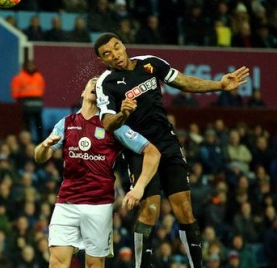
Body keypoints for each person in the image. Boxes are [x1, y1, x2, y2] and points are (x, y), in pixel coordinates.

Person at [94, 32, 249, 268]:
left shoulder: (151, 63)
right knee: (150, 212)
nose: (115, 55)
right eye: (107, 54)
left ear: (123, 45)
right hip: (139, 148)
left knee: (185, 211)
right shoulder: (106, 82)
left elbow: (184, 82)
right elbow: (106, 123)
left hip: (168, 143)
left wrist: (219, 85)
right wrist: (122, 114)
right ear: (103, 60)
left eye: (116, 47)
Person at [34, 77, 161, 268]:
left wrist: (139, 188)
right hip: (66, 203)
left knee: (94, 264)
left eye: (100, 85)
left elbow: (152, 152)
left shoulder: (112, 126)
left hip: (99, 205)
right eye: (91, 83)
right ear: (83, 93)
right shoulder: (66, 123)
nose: (95, 85)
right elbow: (40, 157)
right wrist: (44, 146)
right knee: (57, 261)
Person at [11, 60, 45, 142]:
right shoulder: (19, 77)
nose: (31, 67)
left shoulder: (39, 76)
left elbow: (42, 89)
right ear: (25, 67)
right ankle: (27, 142)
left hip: (37, 104)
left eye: (32, 65)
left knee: (39, 124)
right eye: (29, 65)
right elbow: (15, 93)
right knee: (27, 125)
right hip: (25, 105)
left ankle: (40, 141)